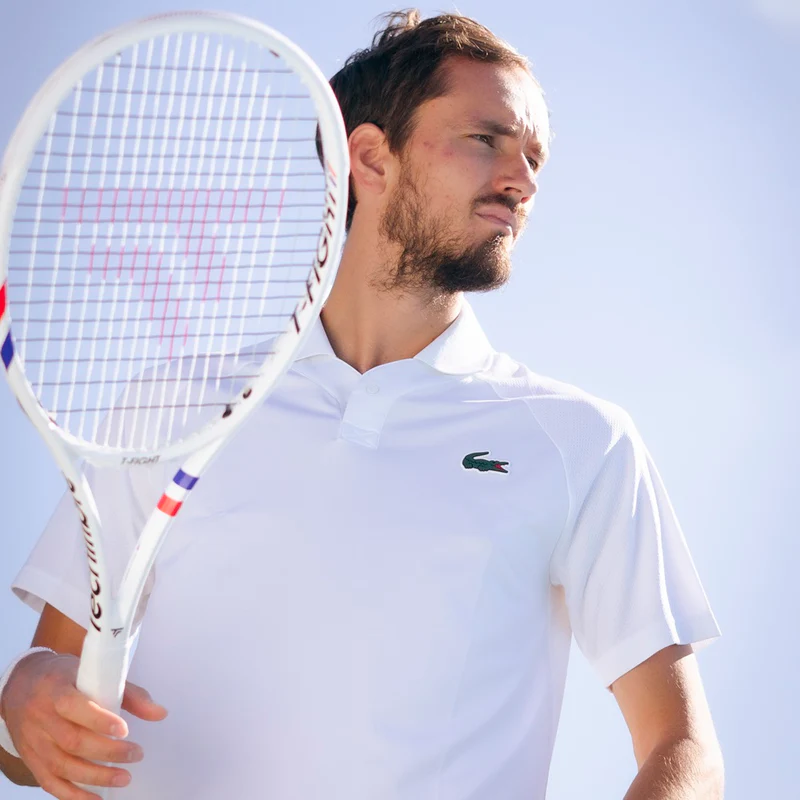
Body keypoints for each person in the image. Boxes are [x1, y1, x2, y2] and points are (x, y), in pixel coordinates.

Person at [0, 10, 724, 800]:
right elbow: (28, 739)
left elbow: (685, 749)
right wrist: (24, 697)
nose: (523, 179)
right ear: (371, 158)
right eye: (486, 139)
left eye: (534, 156)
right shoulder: (173, 409)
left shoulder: (582, 442)